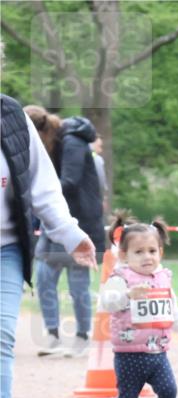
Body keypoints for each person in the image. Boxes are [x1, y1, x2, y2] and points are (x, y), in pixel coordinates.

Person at [1, 94, 97, 398]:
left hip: (5, 247)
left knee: (2, 335)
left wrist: (70, 233)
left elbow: (43, 187)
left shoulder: (12, 116)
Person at [99, 213, 178, 398]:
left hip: (158, 353)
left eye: (152, 251)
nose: (147, 257)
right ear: (124, 255)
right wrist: (128, 295)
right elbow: (106, 303)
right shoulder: (120, 278)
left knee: (169, 390)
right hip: (129, 354)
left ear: (160, 252)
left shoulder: (163, 278)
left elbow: (173, 309)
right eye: (139, 252)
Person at [34, 115, 106, 357]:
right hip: (55, 223)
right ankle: (52, 335)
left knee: (78, 285)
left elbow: (70, 182)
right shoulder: (57, 145)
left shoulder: (73, 142)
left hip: (79, 223)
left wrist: (34, 192)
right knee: (44, 278)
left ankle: (83, 336)